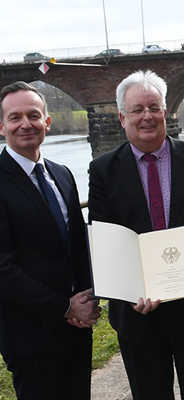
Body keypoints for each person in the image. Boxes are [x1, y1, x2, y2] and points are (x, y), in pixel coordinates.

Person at [88, 70, 184, 400]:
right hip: (138, 313)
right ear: (123, 117)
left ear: (166, 111)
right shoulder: (103, 170)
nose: (147, 116)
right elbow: (105, 237)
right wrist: (128, 287)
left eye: (153, 107)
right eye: (137, 110)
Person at [0, 81, 100, 400]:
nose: (25, 124)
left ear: (47, 122)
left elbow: (78, 245)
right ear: (1, 126)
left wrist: (91, 297)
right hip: (28, 335)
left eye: (33, 115)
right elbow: (3, 269)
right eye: (15, 117)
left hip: (75, 330)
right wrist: (64, 306)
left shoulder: (62, 174)